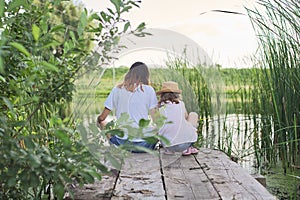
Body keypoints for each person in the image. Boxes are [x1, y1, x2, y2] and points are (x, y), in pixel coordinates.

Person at [97, 61, 158, 152]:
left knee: (102, 122)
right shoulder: (149, 90)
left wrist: (98, 120)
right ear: (146, 76)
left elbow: (103, 117)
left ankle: (114, 144)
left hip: (121, 143)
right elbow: (156, 120)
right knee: (161, 127)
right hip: (144, 145)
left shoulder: (117, 89)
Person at [156, 81, 199, 156]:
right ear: (177, 94)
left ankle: (169, 150)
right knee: (193, 115)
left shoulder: (159, 107)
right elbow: (186, 118)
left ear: (162, 95)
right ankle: (188, 148)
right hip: (183, 145)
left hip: (167, 145)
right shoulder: (181, 104)